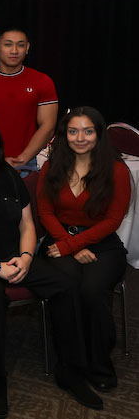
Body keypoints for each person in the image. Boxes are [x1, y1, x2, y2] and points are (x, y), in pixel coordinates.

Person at [0, 118, 103, 418]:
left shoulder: (8, 175)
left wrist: (25, 257)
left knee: (65, 284)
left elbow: (27, 223)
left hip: (13, 255)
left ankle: (71, 371)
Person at [38, 106, 131, 392]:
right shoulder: (51, 167)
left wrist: (73, 245)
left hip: (102, 244)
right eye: (73, 131)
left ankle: (99, 362)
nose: (80, 138)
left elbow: (113, 220)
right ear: (64, 135)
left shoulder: (117, 170)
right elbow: (45, 211)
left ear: (99, 134)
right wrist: (69, 245)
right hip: (59, 238)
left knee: (92, 290)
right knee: (68, 286)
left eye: (88, 131)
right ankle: (71, 363)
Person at [0, 26, 58, 170]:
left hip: (27, 164)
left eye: (20, 45)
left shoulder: (42, 81)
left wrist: (22, 160)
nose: (14, 50)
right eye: (8, 44)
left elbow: (48, 126)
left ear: (27, 48)